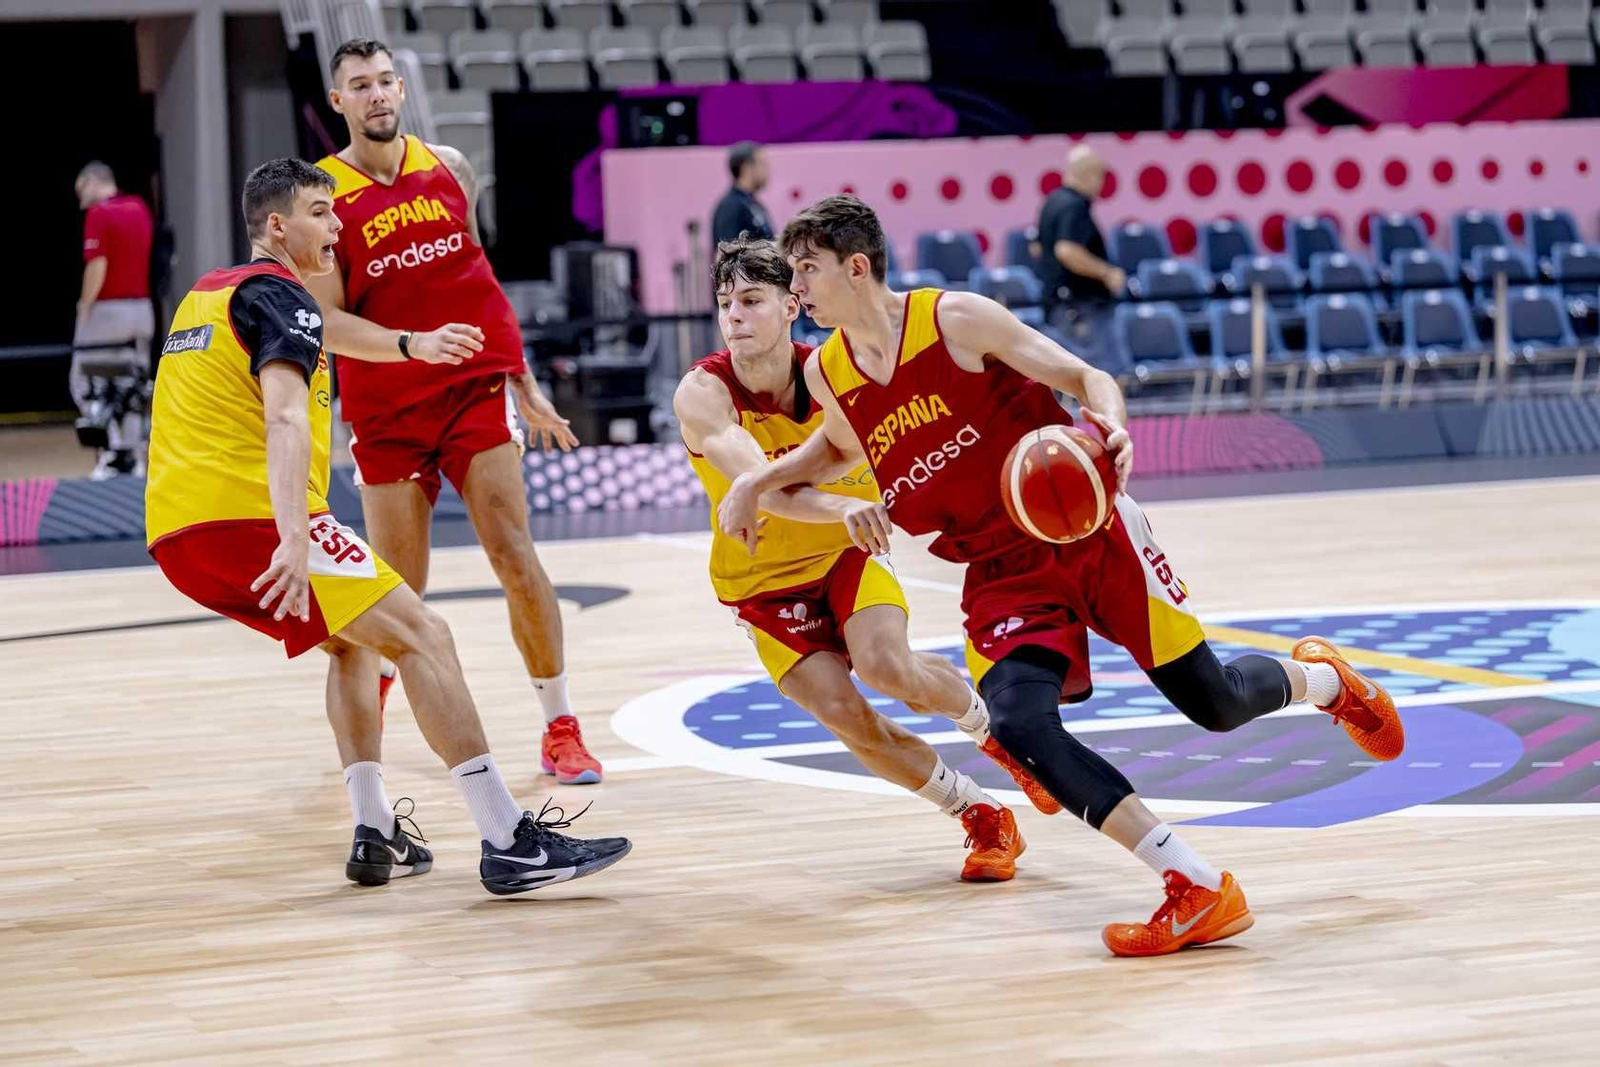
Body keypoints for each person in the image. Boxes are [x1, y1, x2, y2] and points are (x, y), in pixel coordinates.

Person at [718, 195, 1406, 957]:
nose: (798, 285)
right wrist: (756, 482)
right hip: (1003, 569)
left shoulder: (956, 320)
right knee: (1019, 726)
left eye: (807, 269)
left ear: (857, 266)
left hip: (1087, 533)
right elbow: (832, 453)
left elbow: (1085, 375)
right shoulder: (830, 370)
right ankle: (1195, 883)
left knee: (1214, 702)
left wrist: (1110, 422)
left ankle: (1326, 683)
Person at [144, 157, 631, 895]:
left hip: (179, 530)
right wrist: (296, 537)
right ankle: (509, 838)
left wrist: (412, 344)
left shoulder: (205, 299)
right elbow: (283, 419)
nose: (337, 225)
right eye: (319, 211)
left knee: (352, 643)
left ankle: (373, 828)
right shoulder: (287, 296)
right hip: (253, 516)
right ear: (278, 226)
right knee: (425, 635)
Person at [675, 236, 1062, 881]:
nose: (734, 316)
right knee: (845, 715)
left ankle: (999, 736)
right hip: (761, 581)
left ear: (791, 305)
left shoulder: (831, 372)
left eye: (751, 300)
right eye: (724, 303)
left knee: (890, 668)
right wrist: (843, 508)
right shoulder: (704, 393)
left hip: (844, 555)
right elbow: (766, 491)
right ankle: (978, 814)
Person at [310, 38, 604, 785]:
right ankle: (373, 690)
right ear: (337, 101)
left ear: (400, 90)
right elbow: (330, 322)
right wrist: (413, 345)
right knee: (399, 587)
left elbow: (480, 280)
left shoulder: (449, 166)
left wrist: (522, 379)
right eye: (358, 86)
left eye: (384, 81)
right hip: (387, 409)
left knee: (515, 553)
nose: (375, 95)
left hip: (472, 391)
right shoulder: (323, 197)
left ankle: (561, 725)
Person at [73, 161, 155, 480]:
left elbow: (98, 265)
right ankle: (134, 457)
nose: (81, 199)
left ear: (94, 182)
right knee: (131, 385)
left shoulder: (99, 214)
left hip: (107, 311)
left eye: (81, 189)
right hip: (142, 311)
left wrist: (85, 305)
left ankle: (113, 453)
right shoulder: (139, 208)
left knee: (86, 382)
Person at [1037, 146, 1123, 367]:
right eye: (1101, 175)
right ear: (1090, 174)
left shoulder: (1052, 202)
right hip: (1080, 308)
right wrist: (1107, 272)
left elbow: (1036, 248)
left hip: (1060, 303)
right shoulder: (1074, 207)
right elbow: (1067, 250)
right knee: (1102, 374)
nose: (1102, 183)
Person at [710, 141, 773, 251]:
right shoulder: (730, 207)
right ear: (746, 168)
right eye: (762, 164)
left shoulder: (751, 203)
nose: (767, 169)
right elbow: (726, 256)